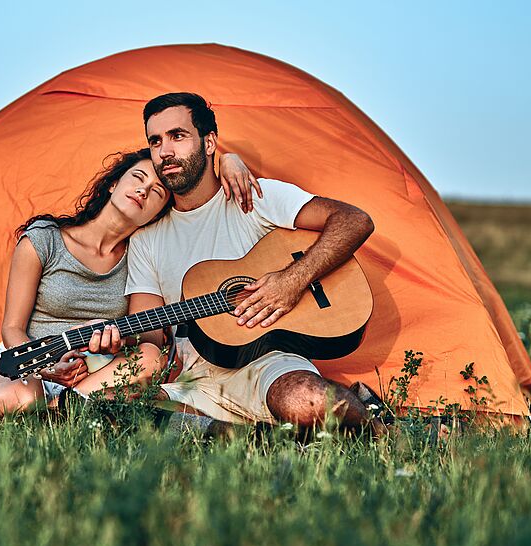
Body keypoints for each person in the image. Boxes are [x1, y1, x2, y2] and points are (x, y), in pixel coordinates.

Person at [0, 147, 256, 425]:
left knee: (149, 362)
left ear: (160, 209)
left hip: (93, 374)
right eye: (137, 178)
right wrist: (49, 367)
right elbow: (12, 328)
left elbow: (148, 340)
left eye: (157, 191)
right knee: (27, 395)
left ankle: (62, 414)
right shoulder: (44, 238)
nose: (143, 190)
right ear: (114, 183)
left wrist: (227, 158)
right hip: (29, 363)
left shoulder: (141, 253)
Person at [110, 92, 382, 430]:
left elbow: (354, 220)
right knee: (120, 415)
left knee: (305, 401)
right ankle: (257, 436)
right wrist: (117, 340)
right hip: (195, 382)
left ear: (209, 143)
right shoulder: (146, 240)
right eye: (155, 141)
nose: (165, 151)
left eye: (177, 136)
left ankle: (381, 429)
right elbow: (150, 336)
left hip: (269, 364)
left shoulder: (253, 195)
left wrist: (292, 280)